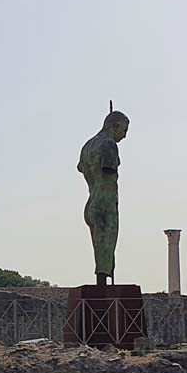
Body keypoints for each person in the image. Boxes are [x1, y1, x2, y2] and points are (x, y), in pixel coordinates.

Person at [77, 109, 129, 286]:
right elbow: (109, 168)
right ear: (115, 126)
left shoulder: (87, 146)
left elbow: (80, 168)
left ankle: (102, 283)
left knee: (101, 251)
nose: (124, 136)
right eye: (123, 130)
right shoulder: (108, 144)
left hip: (92, 202)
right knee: (106, 253)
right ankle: (104, 289)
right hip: (105, 204)